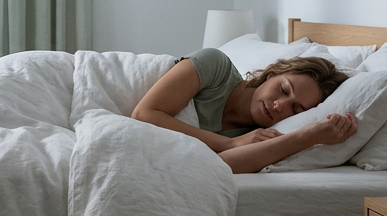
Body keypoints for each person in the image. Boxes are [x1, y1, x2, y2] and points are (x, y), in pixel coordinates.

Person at [132, 47, 358, 174]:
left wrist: (310, 135)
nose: (279, 105)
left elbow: (219, 166)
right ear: (273, 72)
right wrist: (227, 143)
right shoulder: (215, 65)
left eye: (296, 109)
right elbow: (143, 114)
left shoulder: (257, 139)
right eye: (283, 89)